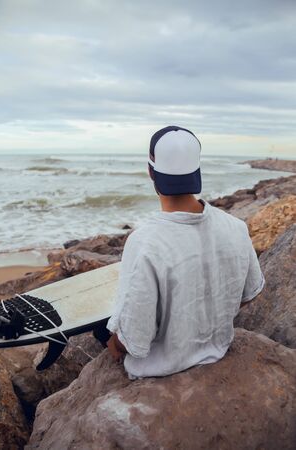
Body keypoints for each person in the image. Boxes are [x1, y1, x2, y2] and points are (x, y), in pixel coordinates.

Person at [93, 125, 265, 380]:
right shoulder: (236, 227)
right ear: (197, 170)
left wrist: (115, 344)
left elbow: (135, 338)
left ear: (151, 171)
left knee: (101, 328)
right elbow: (249, 293)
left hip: (162, 369)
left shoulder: (144, 243)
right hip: (219, 350)